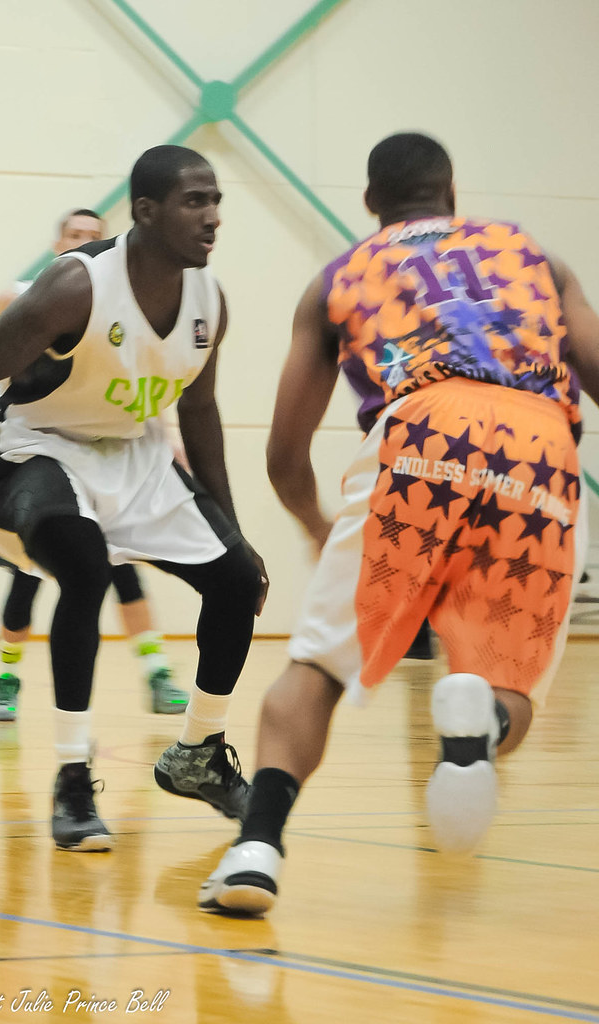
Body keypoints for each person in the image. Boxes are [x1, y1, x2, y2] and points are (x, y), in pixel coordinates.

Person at [198, 131, 595, 915]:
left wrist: (317, 525)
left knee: (317, 665)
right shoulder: (533, 255)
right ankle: (475, 718)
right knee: (506, 676)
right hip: (538, 446)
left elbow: (284, 452)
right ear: (452, 192)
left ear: (373, 204)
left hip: (421, 435)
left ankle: (257, 850)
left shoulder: (339, 278)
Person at [0, 144, 268, 853]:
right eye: (193, 202)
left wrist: (232, 527)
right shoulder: (75, 287)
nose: (212, 218)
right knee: (84, 569)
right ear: (146, 212)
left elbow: (200, 411)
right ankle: (72, 778)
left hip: (134, 455)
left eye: (216, 202)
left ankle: (199, 755)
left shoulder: (209, 299)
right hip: (37, 448)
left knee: (239, 581)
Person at [0, 208, 188, 722]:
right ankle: (7, 679)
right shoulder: (20, 297)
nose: (84, 242)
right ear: (57, 242)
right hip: (36, 456)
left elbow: (140, 382)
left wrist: (169, 437)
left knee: (120, 566)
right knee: (26, 577)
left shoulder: (118, 308)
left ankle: (156, 673)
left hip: (97, 455)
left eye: (94, 237)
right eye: (75, 235)